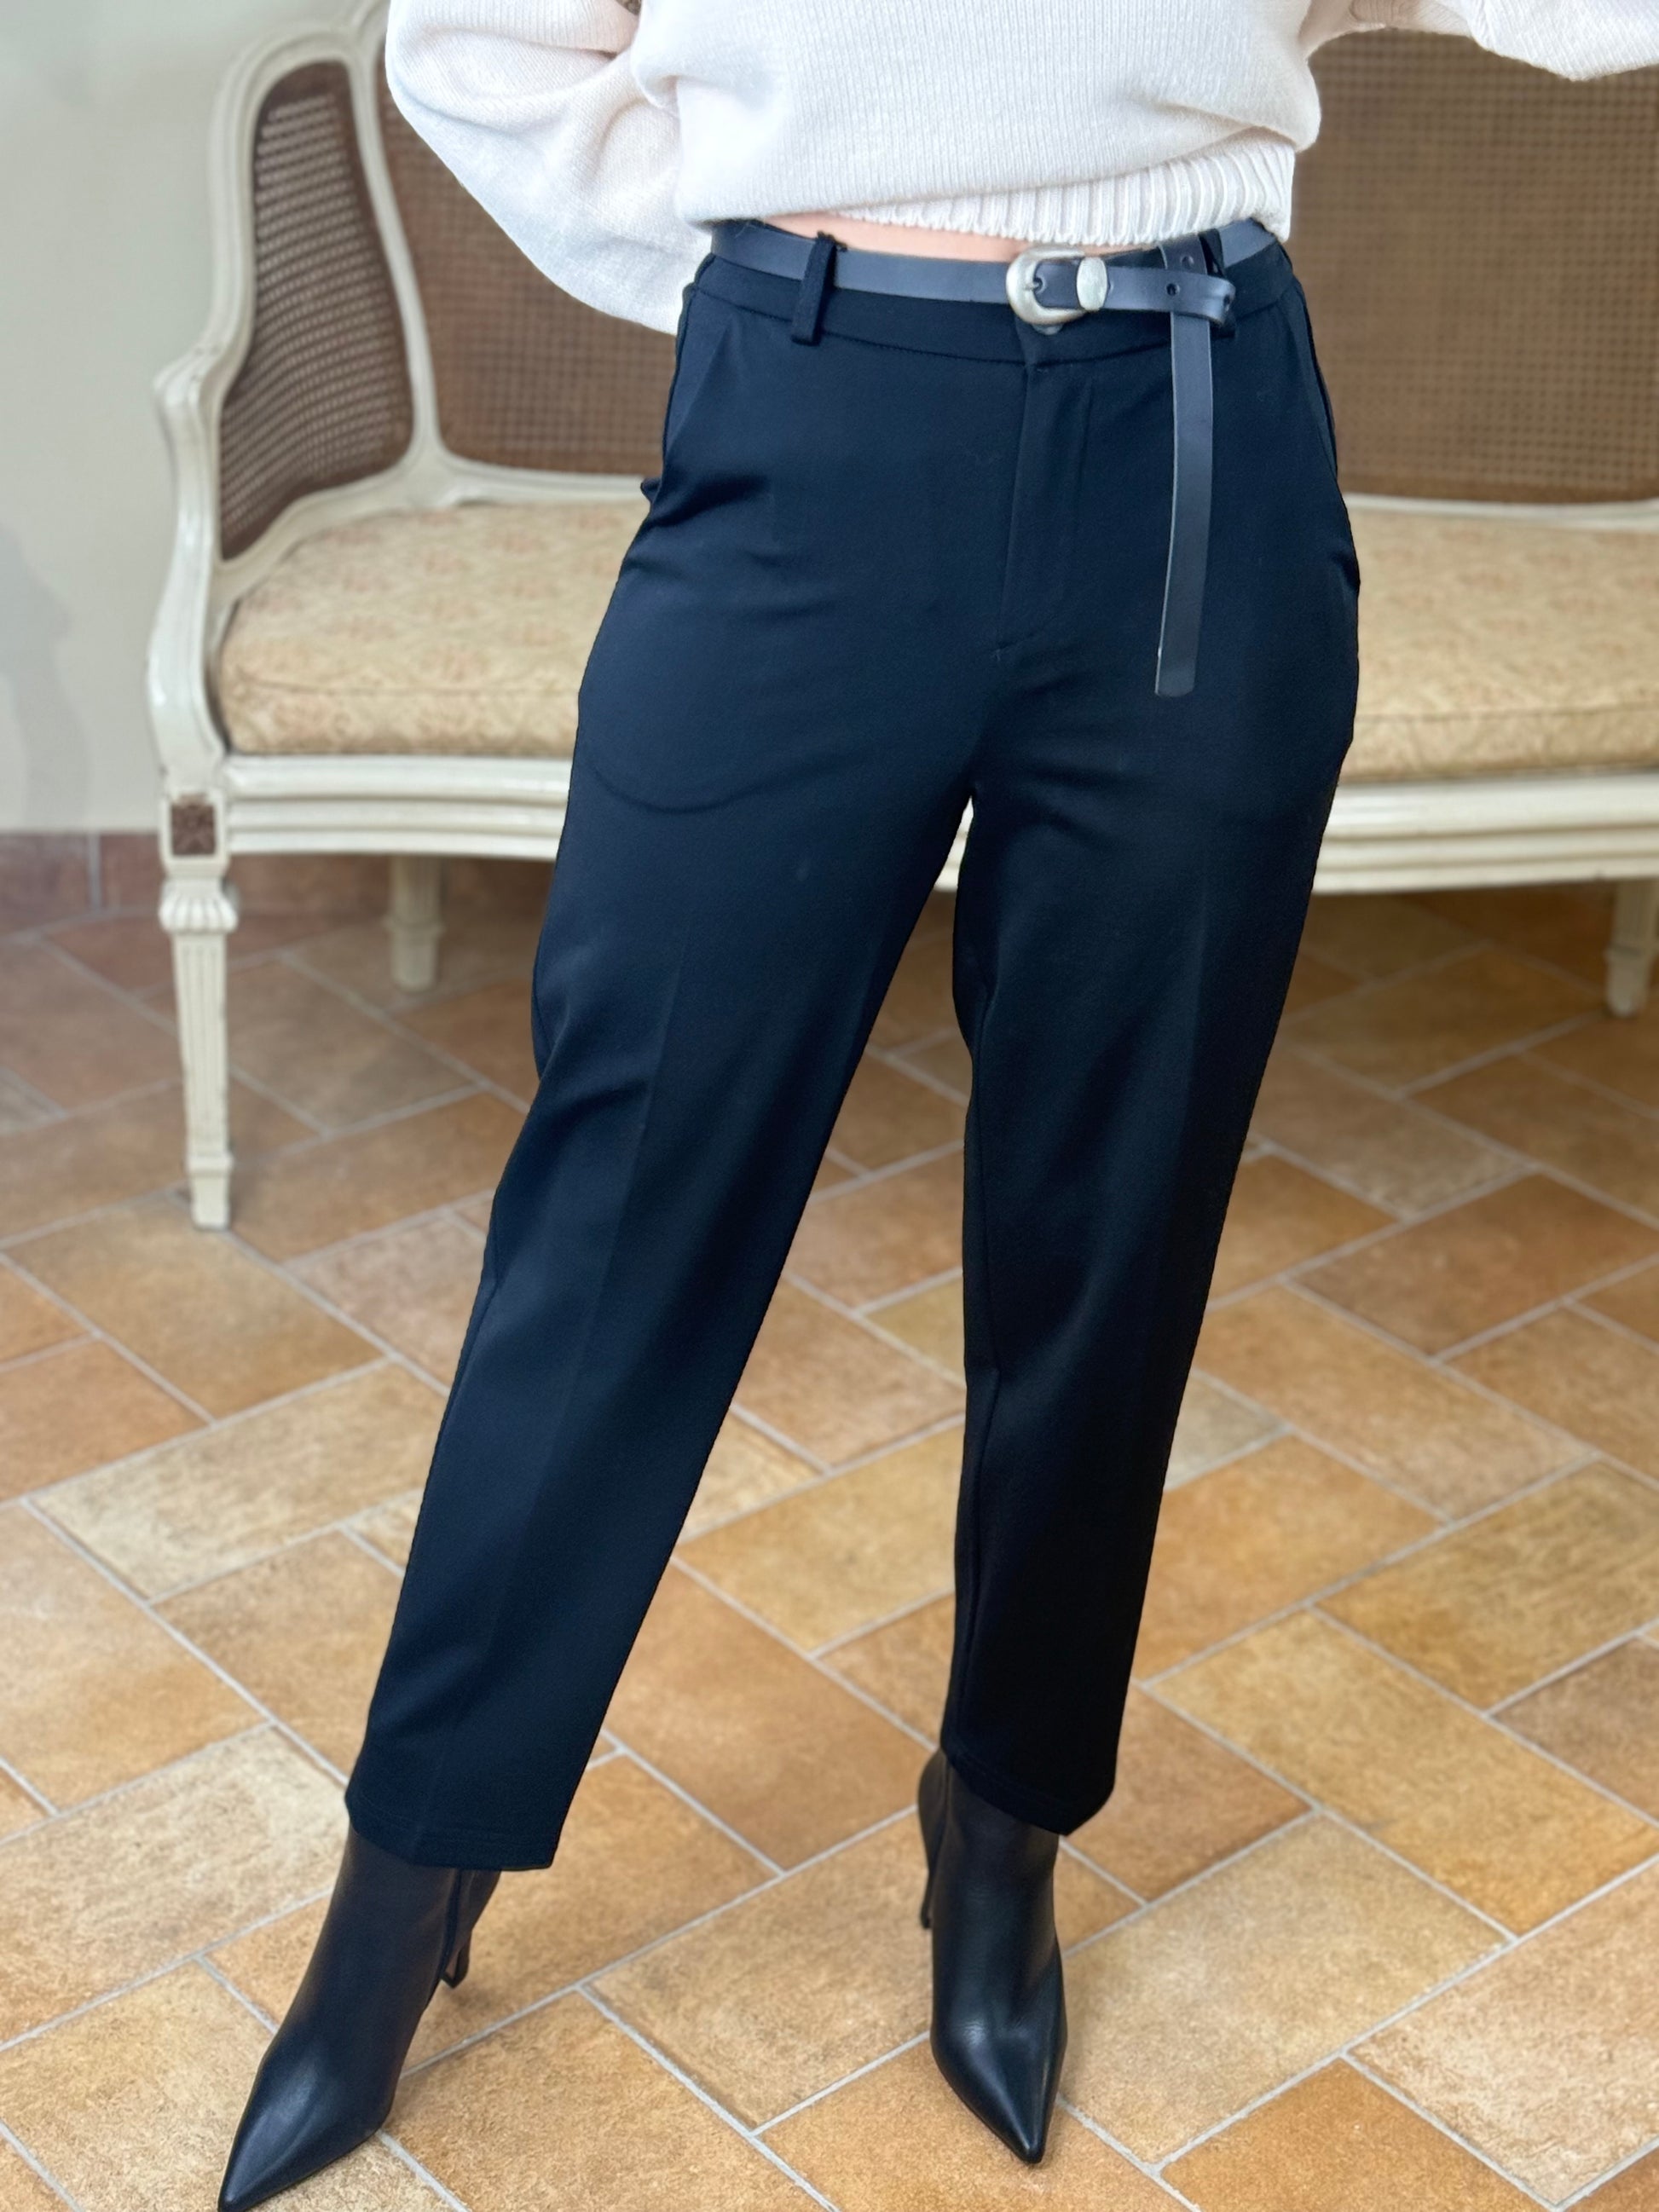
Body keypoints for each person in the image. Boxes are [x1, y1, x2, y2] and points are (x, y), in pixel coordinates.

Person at [217, 3, 1659, 2203]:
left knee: (1115, 1212)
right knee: (625, 1202)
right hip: (808, 428)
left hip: (1191, 454)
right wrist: (771, 256)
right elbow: (483, 39)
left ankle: (1002, 1823)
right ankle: (410, 1868)